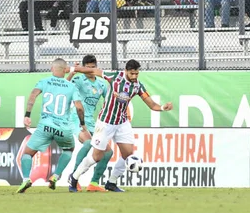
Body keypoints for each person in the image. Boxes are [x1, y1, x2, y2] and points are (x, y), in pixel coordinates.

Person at [68, 59, 173, 193]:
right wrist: (74, 69)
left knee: (128, 154)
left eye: (136, 73)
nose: (134, 76)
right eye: (132, 74)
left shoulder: (138, 86)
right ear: (126, 71)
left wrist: (163, 107)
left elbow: (152, 105)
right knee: (97, 156)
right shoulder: (114, 77)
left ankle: (111, 182)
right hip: (105, 122)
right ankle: (75, 177)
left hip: (122, 122)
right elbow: (93, 71)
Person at [17, 58, 86, 193]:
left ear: (51, 68)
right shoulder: (71, 86)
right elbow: (79, 108)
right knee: (68, 150)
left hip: (45, 126)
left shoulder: (44, 82)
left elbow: (33, 95)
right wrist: (82, 124)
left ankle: (26, 179)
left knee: (27, 154)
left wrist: (27, 115)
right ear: (65, 70)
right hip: (63, 128)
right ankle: (55, 175)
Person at [65, 54, 113, 192]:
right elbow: (66, 88)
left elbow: (110, 99)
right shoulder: (79, 79)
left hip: (92, 122)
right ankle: (73, 177)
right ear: (83, 68)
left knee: (108, 152)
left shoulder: (101, 84)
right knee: (87, 143)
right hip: (76, 118)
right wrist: (72, 73)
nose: (91, 70)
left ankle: (94, 183)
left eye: (93, 67)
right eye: (88, 68)